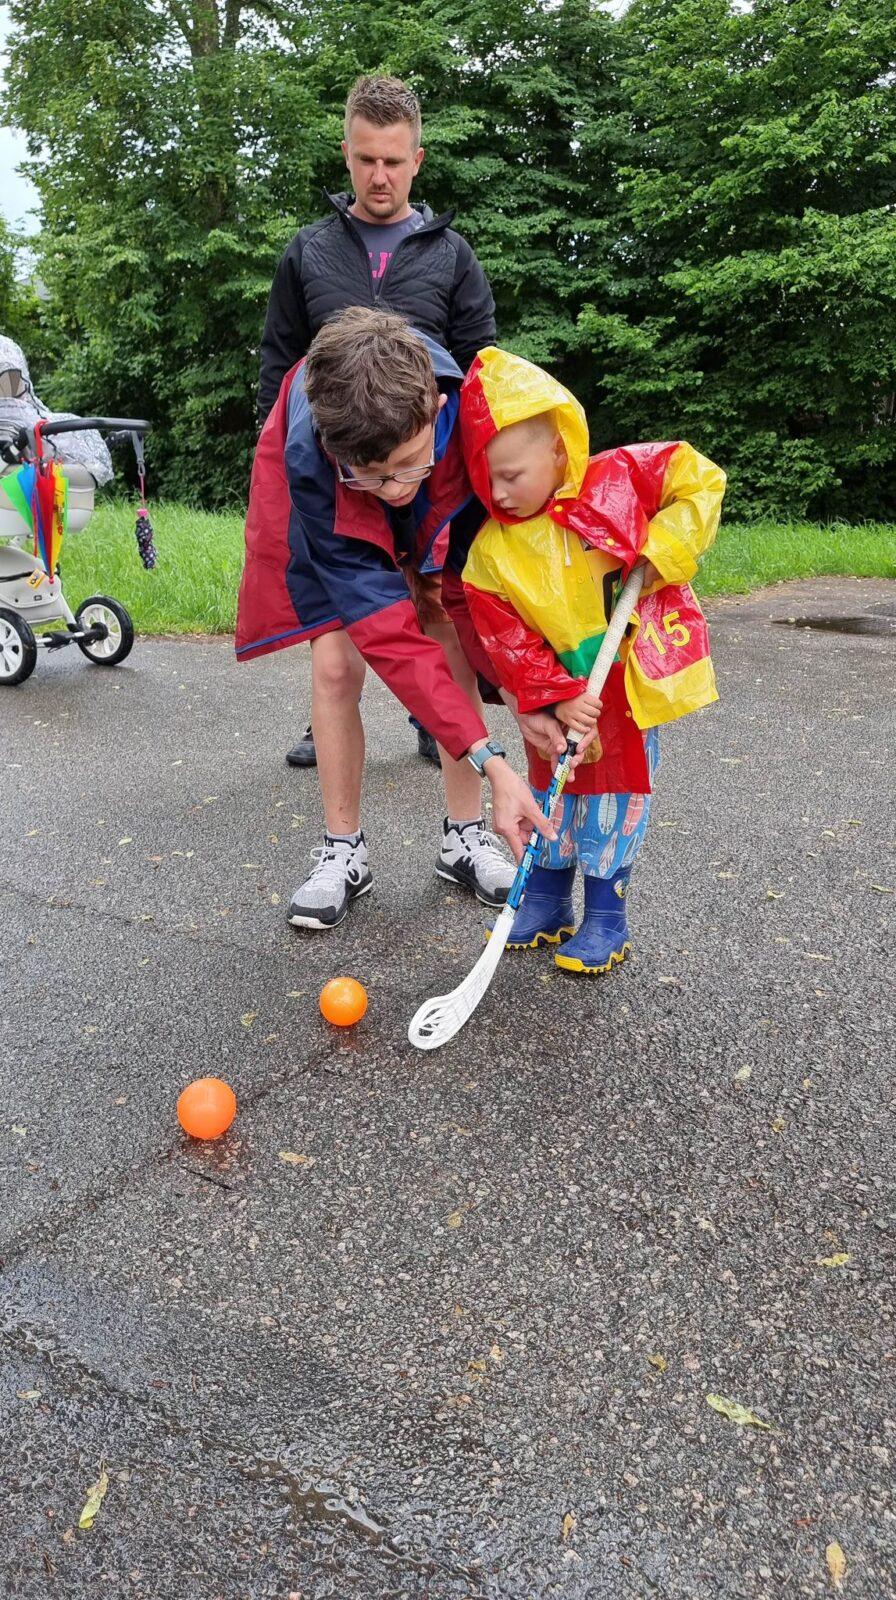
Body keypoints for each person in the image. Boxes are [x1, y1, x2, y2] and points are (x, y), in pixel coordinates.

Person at [236, 310, 563, 931]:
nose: (392, 491)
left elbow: (479, 598)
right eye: (375, 474)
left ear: (437, 408)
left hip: (410, 461)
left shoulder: (466, 415)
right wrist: (496, 764)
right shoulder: (315, 456)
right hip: (328, 500)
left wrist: (524, 691)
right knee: (336, 664)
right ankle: (343, 848)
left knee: (448, 635)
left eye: (406, 463)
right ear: (337, 449)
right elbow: (383, 631)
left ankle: (464, 837)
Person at [459, 346, 726, 974]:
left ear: (557, 450)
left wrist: (668, 544)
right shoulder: (492, 551)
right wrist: (550, 694)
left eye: (512, 475)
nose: (498, 492)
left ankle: (606, 913)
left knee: (614, 796)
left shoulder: (616, 481)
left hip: (623, 687)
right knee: (553, 794)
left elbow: (699, 477)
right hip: (559, 701)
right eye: (486, 477)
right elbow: (504, 638)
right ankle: (549, 899)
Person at [258, 74, 497, 771]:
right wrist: (275, 455)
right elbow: (280, 368)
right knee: (341, 606)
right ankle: (326, 716)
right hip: (338, 465)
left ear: (417, 160)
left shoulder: (452, 254)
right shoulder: (309, 251)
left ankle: (437, 720)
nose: (379, 175)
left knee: (431, 608)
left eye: (394, 160)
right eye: (366, 159)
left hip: (423, 469)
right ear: (347, 154)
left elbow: (480, 369)